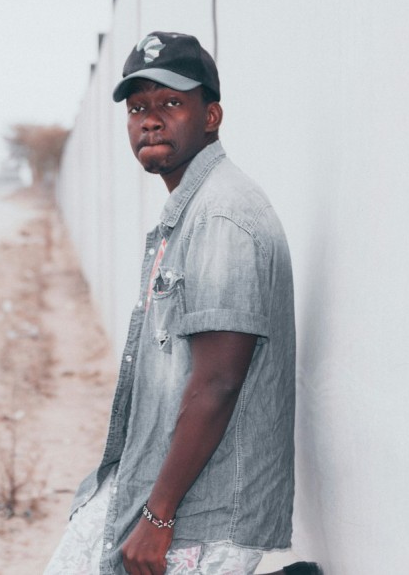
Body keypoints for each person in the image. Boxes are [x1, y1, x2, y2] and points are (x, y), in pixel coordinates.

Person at [45, 31, 300, 575]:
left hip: (198, 514)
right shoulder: (190, 210)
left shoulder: (219, 217)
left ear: (212, 116)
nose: (150, 119)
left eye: (171, 102)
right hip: (158, 492)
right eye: (138, 107)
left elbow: (217, 382)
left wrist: (157, 517)